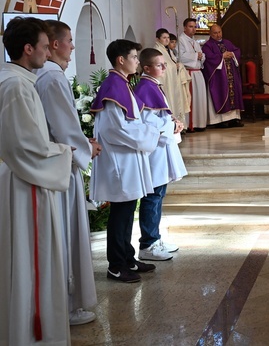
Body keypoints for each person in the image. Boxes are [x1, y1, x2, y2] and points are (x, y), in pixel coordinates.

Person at [0, 17, 73, 345]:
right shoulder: (15, 86)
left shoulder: (15, 80)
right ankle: (32, 334)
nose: (49, 51)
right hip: (25, 183)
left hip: (19, 178)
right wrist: (65, 152)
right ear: (27, 49)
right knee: (33, 260)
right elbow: (26, 147)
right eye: (44, 46)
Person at [35, 20, 102, 327]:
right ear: (55, 44)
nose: (73, 46)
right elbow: (63, 127)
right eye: (70, 41)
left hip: (56, 161)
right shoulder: (52, 76)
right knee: (68, 235)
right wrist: (86, 149)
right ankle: (67, 306)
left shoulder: (41, 74)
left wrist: (81, 142)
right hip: (63, 167)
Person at [90, 39, 160, 284]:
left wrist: (146, 131)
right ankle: (116, 266)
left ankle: (128, 258)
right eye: (134, 57)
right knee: (120, 214)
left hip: (129, 158)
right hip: (120, 161)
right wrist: (149, 134)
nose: (137, 62)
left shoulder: (122, 83)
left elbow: (130, 122)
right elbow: (114, 130)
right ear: (121, 60)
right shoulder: (113, 86)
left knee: (128, 211)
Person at [134, 48, 187, 261]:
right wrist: (171, 124)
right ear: (146, 68)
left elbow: (160, 115)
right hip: (154, 149)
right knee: (153, 196)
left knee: (158, 194)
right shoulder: (145, 86)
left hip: (159, 147)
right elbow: (146, 121)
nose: (164, 68)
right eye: (159, 65)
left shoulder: (151, 84)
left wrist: (172, 122)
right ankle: (148, 244)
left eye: (164, 64)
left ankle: (155, 239)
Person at [202, 24, 244, 128]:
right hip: (218, 77)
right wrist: (222, 56)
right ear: (210, 34)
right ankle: (220, 120)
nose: (218, 35)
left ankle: (234, 119)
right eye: (215, 33)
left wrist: (232, 54)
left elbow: (237, 51)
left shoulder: (227, 42)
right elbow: (208, 58)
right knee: (220, 93)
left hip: (231, 75)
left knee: (233, 94)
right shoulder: (208, 45)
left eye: (219, 32)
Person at [154, 29, 188, 125]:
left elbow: (172, 62)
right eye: (164, 38)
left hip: (172, 80)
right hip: (165, 82)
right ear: (157, 39)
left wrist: (177, 65)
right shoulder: (157, 50)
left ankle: (178, 124)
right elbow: (162, 66)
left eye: (168, 37)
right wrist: (174, 66)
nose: (167, 40)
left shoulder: (167, 50)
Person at [179, 18, 208, 132]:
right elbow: (181, 57)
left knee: (199, 99)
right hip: (189, 73)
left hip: (197, 73)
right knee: (190, 99)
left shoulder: (194, 41)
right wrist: (197, 55)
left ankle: (199, 123)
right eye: (191, 26)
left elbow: (201, 55)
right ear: (185, 27)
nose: (193, 29)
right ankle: (191, 124)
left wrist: (201, 56)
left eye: (195, 27)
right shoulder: (181, 40)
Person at [169, 33, 192, 126]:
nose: (174, 44)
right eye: (172, 42)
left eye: (175, 42)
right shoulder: (166, 52)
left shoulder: (174, 52)